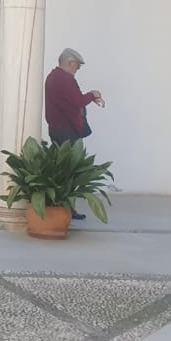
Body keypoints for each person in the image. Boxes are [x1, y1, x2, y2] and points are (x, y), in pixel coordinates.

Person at [44, 47, 105, 219]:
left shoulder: (53, 77)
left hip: (57, 128)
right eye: (77, 66)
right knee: (68, 172)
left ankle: (60, 206)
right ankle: (66, 209)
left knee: (60, 169)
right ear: (70, 63)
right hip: (66, 130)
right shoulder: (64, 79)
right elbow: (77, 101)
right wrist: (93, 94)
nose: (77, 70)